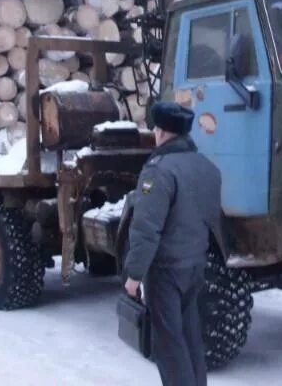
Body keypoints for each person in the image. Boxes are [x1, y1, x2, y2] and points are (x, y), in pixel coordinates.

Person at [123, 101, 221, 386]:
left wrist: (134, 275)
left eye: (155, 129)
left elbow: (146, 228)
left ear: (163, 133)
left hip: (166, 271)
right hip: (194, 265)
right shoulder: (207, 168)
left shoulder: (159, 171)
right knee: (190, 340)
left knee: (168, 345)